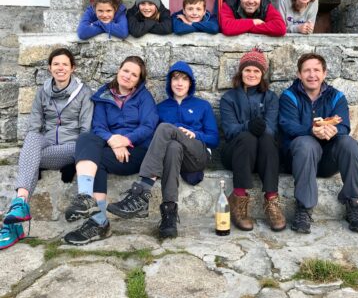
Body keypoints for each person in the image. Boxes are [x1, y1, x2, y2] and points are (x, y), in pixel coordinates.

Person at [106, 61, 219, 239]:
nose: (179, 83)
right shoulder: (161, 108)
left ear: (190, 83)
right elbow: (153, 139)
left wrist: (195, 134)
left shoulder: (202, 105)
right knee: (173, 146)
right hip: (172, 158)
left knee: (166, 128)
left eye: (184, 79)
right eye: (175, 79)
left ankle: (141, 192)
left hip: (197, 155)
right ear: (169, 83)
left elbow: (214, 139)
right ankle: (169, 216)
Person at [0, 48, 93, 250]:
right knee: (32, 138)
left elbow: (86, 130)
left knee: (29, 158)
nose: (60, 68)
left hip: (72, 147)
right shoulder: (43, 92)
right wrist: (36, 143)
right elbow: (35, 125)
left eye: (65, 64)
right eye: (56, 64)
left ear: (72, 68)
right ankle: (20, 204)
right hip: (48, 142)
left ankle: (15, 219)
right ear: (50, 68)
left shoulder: (84, 93)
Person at [63, 56, 158, 245]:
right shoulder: (104, 95)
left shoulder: (144, 97)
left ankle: (98, 223)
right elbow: (98, 126)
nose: (128, 76)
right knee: (86, 139)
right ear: (118, 70)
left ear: (139, 80)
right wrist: (113, 140)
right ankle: (87, 200)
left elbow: (149, 125)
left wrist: (126, 140)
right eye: (126, 71)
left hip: (138, 153)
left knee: (97, 158)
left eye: (134, 74)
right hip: (113, 149)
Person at [279, 53, 358, 234]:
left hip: (327, 162)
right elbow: (287, 125)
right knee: (306, 143)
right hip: (297, 159)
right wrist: (311, 130)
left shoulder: (337, 97)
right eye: (307, 71)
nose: (312, 75)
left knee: (349, 144)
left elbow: (343, 125)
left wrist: (334, 131)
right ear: (299, 74)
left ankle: (355, 205)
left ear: (324, 73)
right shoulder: (289, 96)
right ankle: (304, 209)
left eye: (316, 70)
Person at [220, 48, 286, 232]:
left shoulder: (271, 98)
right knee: (247, 137)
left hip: (264, 156)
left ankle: (271, 199)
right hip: (236, 154)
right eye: (248, 70)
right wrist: (247, 126)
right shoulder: (229, 98)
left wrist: (261, 128)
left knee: (266, 137)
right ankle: (239, 198)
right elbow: (229, 131)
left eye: (256, 71)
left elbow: (272, 129)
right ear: (241, 72)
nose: (251, 74)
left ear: (262, 74)